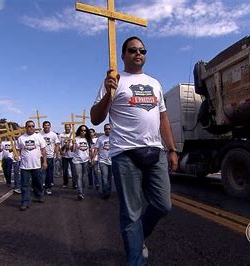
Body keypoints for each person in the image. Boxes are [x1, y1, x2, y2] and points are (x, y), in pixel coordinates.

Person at [90, 36, 178, 265]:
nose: (138, 53)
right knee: (131, 213)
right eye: (132, 50)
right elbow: (96, 118)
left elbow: (163, 117)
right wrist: (108, 95)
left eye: (142, 50)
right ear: (123, 55)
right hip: (125, 153)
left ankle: (139, 238)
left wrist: (171, 149)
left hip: (155, 152)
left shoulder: (155, 83)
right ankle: (136, 260)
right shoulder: (114, 80)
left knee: (163, 205)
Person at [15, 120, 47, 211]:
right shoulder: (21, 138)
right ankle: (25, 202)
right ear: (26, 127)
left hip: (36, 165)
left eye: (33, 126)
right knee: (24, 185)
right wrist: (17, 156)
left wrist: (44, 162)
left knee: (38, 182)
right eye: (29, 126)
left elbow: (43, 150)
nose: (31, 128)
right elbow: (18, 150)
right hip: (25, 166)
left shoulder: (39, 137)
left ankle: (39, 196)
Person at [40, 120, 60, 195]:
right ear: (43, 126)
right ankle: (41, 187)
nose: (46, 126)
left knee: (49, 173)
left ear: (50, 126)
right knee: (41, 173)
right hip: (41, 156)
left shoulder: (53, 134)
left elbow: (57, 144)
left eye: (48, 125)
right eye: (45, 125)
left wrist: (56, 154)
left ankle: (48, 188)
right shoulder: (39, 134)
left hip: (50, 156)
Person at [71, 125, 91, 200]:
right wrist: (73, 144)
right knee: (79, 176)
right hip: (77, 160)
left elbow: (90, 150)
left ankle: (82, 189)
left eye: (85, 130)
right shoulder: (76, 139)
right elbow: (72, 150)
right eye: (82, 130)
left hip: (85, 160)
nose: (83, 132)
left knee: (84, 177)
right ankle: (80, 192)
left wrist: (91, 159)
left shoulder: (88, 139)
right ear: (79, 131)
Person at [93, 123, 112, 199]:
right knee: (104, 177)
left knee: (109, 177)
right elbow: (96, 149)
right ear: (104, 130)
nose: (108, 130)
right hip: (102, 160)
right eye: (106, 129)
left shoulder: (115, 137)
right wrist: (92, 158)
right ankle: (106, 192)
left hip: (112, 160)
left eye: (109, 129)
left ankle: (109, 191)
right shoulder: (100, 138)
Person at [59, 124, 73, 188]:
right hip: (64, 155)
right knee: (65, 170)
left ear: (70, 128)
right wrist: (62, 149)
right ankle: (65, 183)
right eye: (66, 127)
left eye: (68, 127)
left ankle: (75, 183)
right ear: (64, 128)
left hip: (72, 155)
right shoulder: (61, 135)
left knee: (74, 170)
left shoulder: (73, 135)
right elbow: (58, 144)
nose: (67, 128)